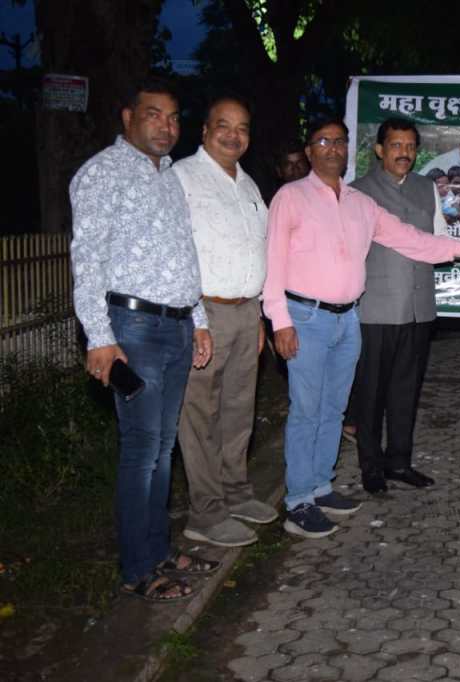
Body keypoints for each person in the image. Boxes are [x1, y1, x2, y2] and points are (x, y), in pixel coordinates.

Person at [263, 117, 460, 539]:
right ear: (310, 151)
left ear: (348, 150)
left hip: (349, 319)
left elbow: (410, 238)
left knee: (333, 410)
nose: (333, 149)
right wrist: (280, 321)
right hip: (306, 318)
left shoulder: (358, 203)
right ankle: (297, 502)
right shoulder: (290, 198)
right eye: (324, 142)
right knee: (306, 411)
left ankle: (321, 486)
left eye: (340, 142)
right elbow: (273, 263)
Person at [70, 78, 217, 603]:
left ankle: (159, 551)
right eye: (154, 114)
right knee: (142, 451)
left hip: (176, 326)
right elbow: (87, 259)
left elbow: (184, 253)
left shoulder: (168, 177)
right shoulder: (102, 172)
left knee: (162, 448)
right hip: (132, 328)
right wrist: (99, 337)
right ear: (128, 117)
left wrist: (199, 318)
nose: (166, 126)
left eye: (174, 117)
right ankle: (137, 568)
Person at [173, 95, 278, 548]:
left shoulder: (248, 184)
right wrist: (192, 316)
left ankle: (235, 492)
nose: (234, 135)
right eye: (224, 125)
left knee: (238, 409)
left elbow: (257, 251)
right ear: (205, 130)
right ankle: (206, 512)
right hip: (204, 312)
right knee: (200, 414)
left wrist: (259, 313)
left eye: (243, 128)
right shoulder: (181, 177)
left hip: (246, 311)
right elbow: (175, 252)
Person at [349, 118, 452, 494]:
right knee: (371, 393)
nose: (403, 153)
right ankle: (371, 466)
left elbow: (439, 238)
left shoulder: (427, 188)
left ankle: (399, 462)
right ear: (379, 150)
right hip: (375, 310)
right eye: (395, 145)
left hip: (418, 307)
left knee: (406, 390)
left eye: (410, 146)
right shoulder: (357, 192)